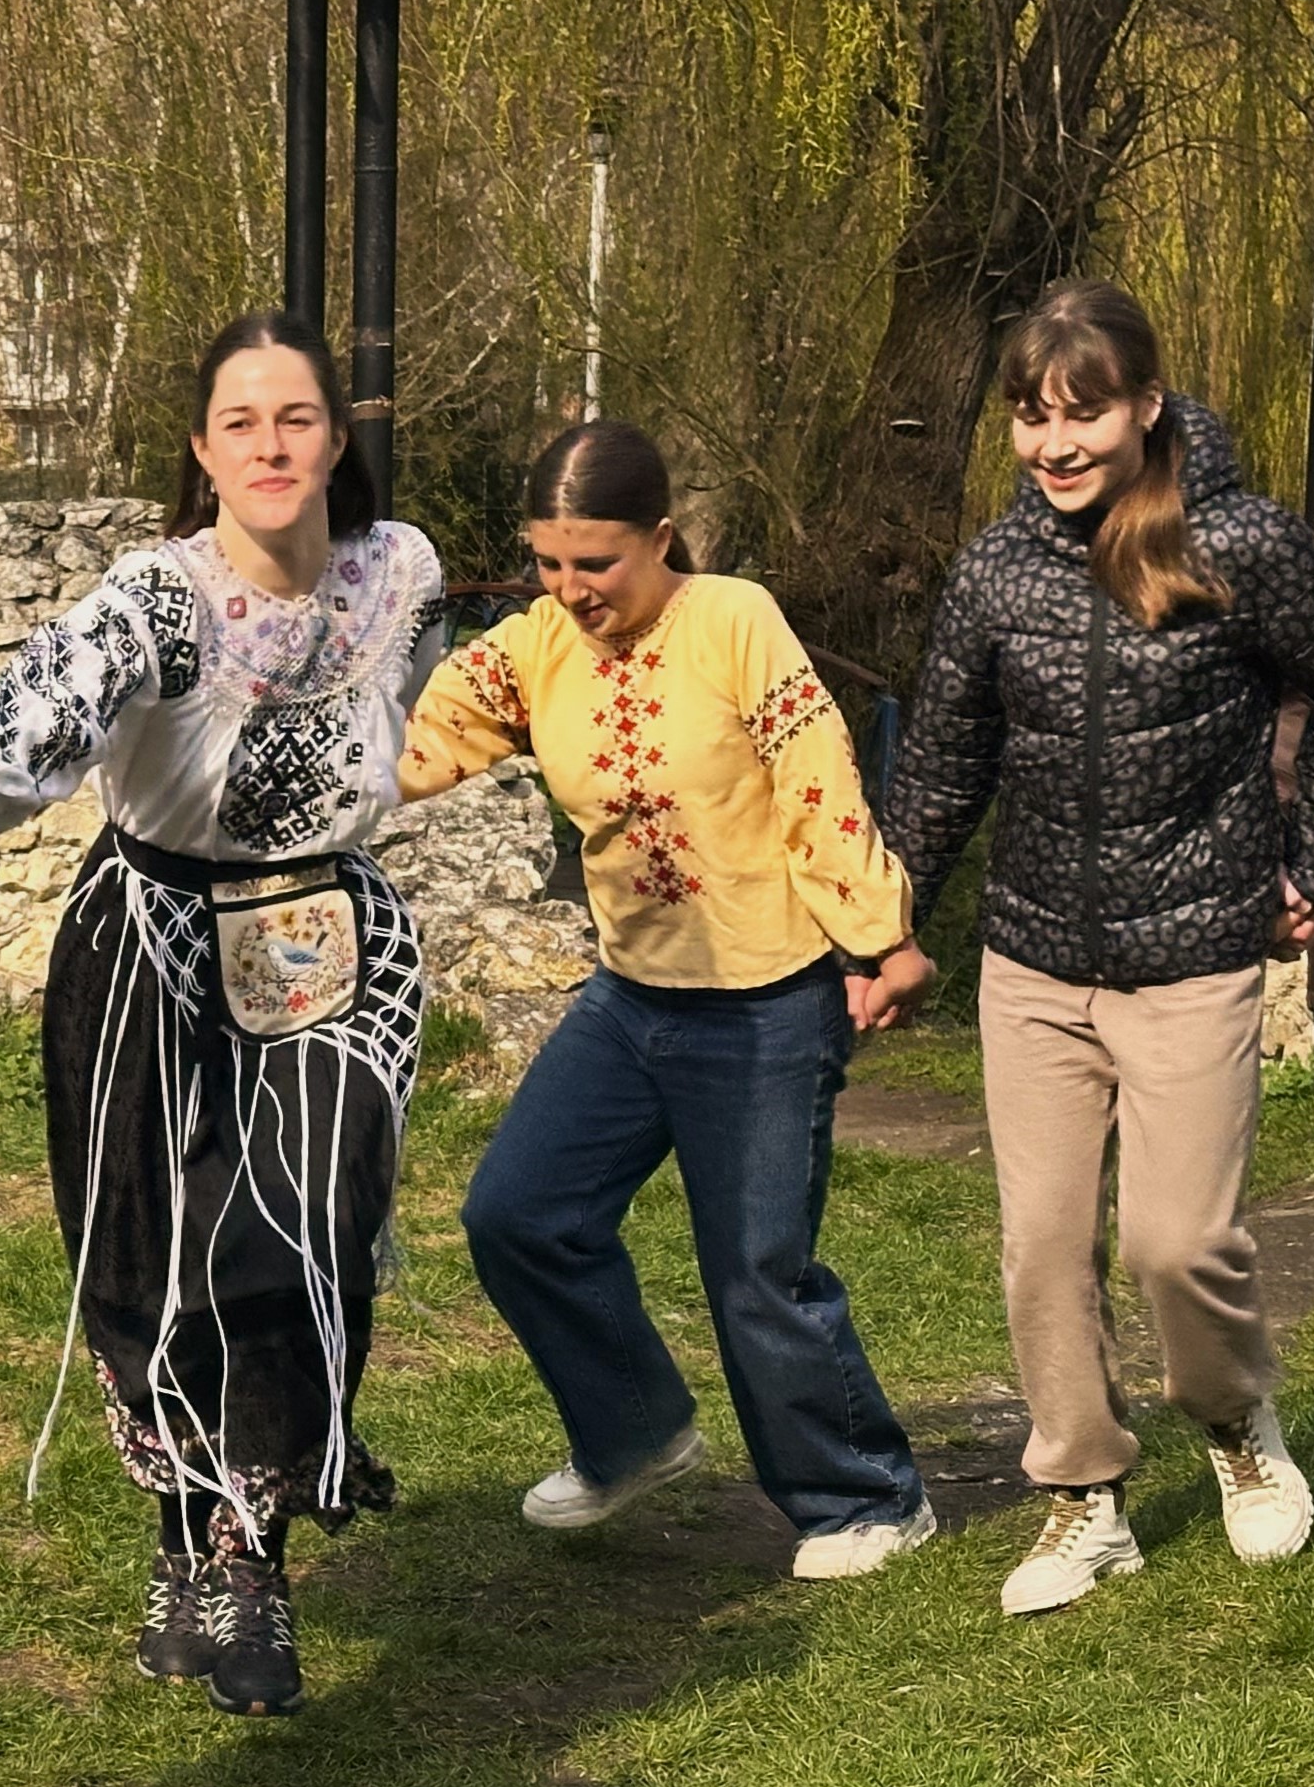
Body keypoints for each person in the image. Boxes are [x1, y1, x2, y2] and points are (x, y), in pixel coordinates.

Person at [0, 310, 441, 1720]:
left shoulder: (396, 574)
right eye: (242, 422)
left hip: (327, 949)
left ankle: (253, 1556)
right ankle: (179, 1537)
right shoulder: (153, 604)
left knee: (297, 1245)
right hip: (148, 952)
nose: (273, 446)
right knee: (153, 1260)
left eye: (298, 419)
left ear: (337, 438)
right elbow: (1, 746)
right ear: (202, 449)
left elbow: (427, 723)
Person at [398, 420, 939, 1578]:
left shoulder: (734, 619)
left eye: (596, 563)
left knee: (756, 1268)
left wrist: (877, 939)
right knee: (517, 1214)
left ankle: (867, 1499)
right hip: (631, 999)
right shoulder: (534, 646)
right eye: (548, 562)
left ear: (659, 538)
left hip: (767, 999)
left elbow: (818, 785)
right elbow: (414, 739)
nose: (571, 589)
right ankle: (634, 1429)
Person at [886, 279, 1314, 1614]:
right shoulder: (996, 570)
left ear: (1144, 407)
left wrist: (1312, 860)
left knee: (1175, 1244)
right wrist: (880, 927)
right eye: (1033, 418)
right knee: (1042, 1250)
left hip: (1196, 951)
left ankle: (1234, 1424)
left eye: (1084, 413)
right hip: (1032, 965)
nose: (1056, 443)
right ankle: (1085, 1500)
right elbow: (944, 772)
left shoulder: (1238, 546)